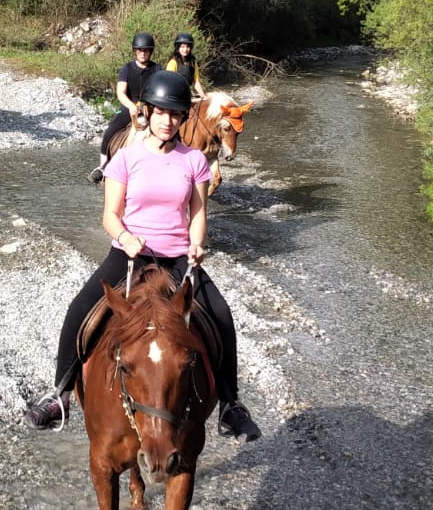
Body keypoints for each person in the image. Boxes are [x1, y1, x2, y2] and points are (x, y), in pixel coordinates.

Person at [26, 67, 261, 441]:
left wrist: (197, 244)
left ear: (184, 117)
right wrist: (125, 236)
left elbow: (198, 214)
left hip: (177, 258)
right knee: (79, 309)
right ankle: (60, 394)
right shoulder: (126, 159)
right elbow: (110, 215)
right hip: (130, 254)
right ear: (148, 112)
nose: (168, 121)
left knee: (221, 314)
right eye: (161, 112)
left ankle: (232, 405)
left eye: (176, 114)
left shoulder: (194, 161)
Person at [88, 31, 158, 184]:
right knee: (109, 132)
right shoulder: (127, 69)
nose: (142, 53)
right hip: (129, 106)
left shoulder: (157, 70)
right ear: (135, 51)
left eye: (146, 50)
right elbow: (120, 92)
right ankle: (102, 167)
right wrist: (132, 106)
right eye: (140, 50)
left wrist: (150, 105)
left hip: (150, 107)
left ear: (150, 52)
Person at [165, 32, 205, 99]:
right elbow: (169, 83)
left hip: (188, 94)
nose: (185, 49)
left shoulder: (193, 63)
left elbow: (196, 83)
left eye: (188, 47)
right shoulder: (173, 63)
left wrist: (203, 96)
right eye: (182, 47)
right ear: (178, 48)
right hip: (174, 95)